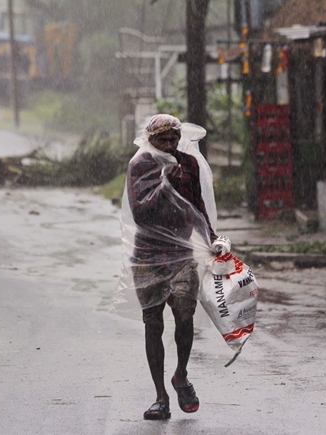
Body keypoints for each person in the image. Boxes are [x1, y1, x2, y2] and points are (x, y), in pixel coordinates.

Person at [121, 114, 219, 420]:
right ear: (150, 140)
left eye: (173, 139)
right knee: (153, 323)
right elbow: (140, 213)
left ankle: (180, 374)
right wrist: (165, 184)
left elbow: (196, 207)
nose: (169, 145)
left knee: (185, 316)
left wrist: (212, 238)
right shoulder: (141, 166)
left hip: (181, 253)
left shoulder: (188, 164)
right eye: (162, 140)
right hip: (148, 257)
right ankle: (160, 396)